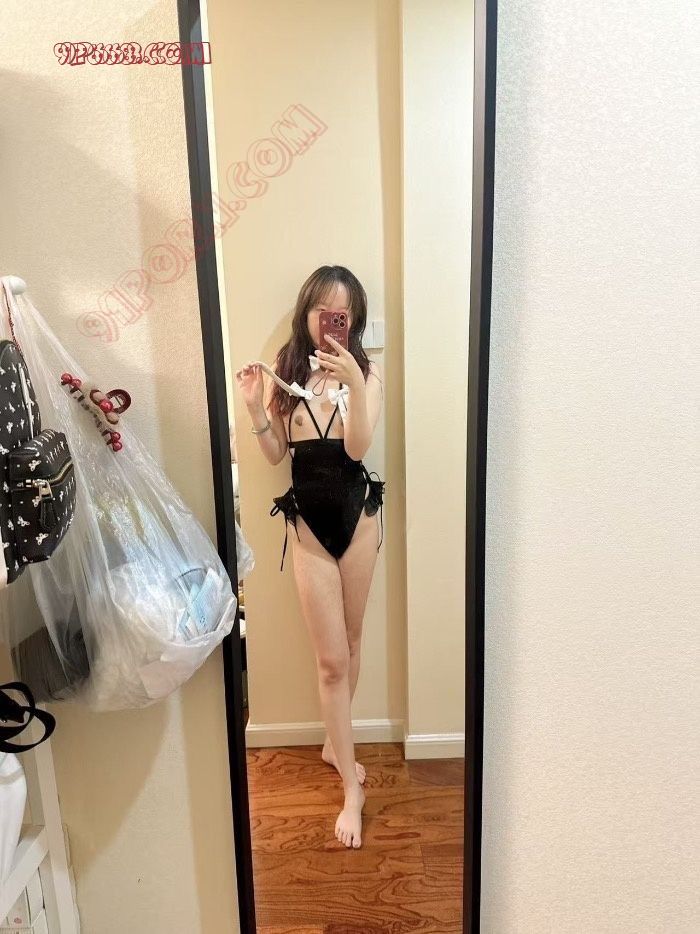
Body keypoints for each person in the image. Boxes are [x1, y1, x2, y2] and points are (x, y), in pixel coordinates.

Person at [235, 265, 384, 849]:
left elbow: (358, 449)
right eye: (322, 309)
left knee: (352, 643)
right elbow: (276, 454)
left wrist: (353, 383)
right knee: (330, 662)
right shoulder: (287, 370)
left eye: (341, 312)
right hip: (310, 530)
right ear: (307, 313)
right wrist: (255, 408)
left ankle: (332, 745)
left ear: (354, 320)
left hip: (359, 518)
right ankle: (351, 789)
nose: (330, 320)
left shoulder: (367, 372)